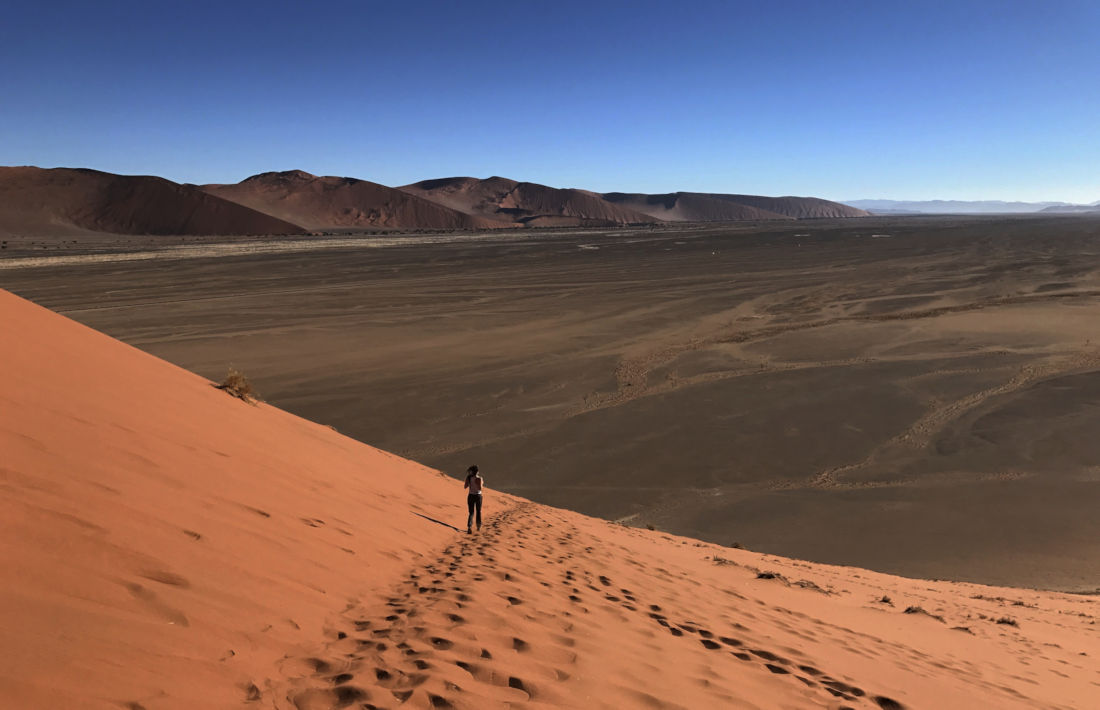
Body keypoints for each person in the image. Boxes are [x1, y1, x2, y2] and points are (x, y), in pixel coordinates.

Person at [464, 465, 483, 533]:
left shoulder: (468, 478)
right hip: (478, 496)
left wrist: (469, 481)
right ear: (477, 471)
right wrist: (478, 483)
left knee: (471, 512)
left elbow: (465, 486)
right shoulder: (479, 478)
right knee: (478, 511)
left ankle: (469, 527)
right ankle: (478, 527)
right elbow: (480, 488)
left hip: (471, 496)